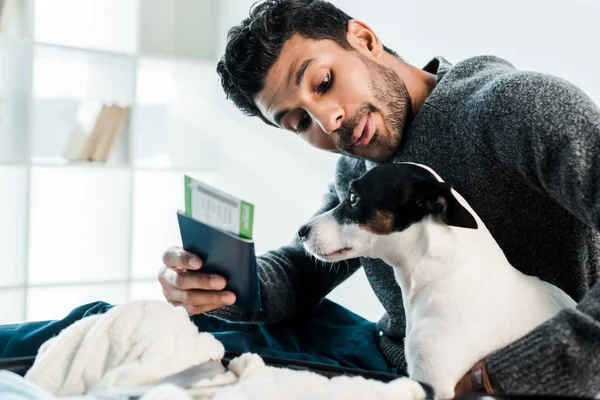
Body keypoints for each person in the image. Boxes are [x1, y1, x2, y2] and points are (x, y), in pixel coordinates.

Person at [1, 0, 599, 397]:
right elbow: (302, 271)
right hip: (391, 347)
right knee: (115, 325)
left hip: (463, 366)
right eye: (296, 121)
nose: (329, 119)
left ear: (363, 37)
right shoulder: (356, 165)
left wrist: (505, 375)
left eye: (322, 82)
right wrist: (226, 284)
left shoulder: (518, 108)